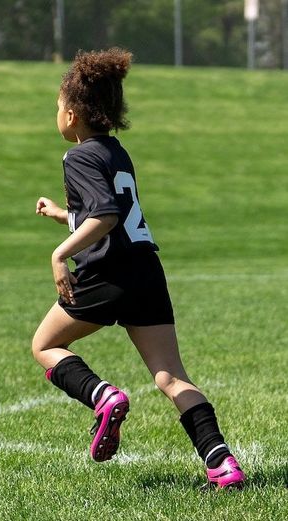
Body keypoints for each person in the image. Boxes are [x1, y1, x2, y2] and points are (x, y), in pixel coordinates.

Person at [31, 48, 245, 490]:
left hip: (106, 273)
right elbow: (112, 215)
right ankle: (222, 465)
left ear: (71, 115)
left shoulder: (77, 158)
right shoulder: (115, 152)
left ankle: (102, 396)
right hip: (145, 270)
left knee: (45, 345)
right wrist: (62, 215)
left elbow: (105, 216)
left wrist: (58, 254)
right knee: (170, 376)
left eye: (56, 106)